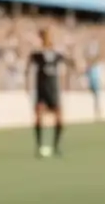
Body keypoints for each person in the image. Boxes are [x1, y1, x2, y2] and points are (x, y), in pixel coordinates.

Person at [26, 27, 72, 157]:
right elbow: (28, 70)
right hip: (41, 90)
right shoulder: (37, 55)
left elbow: (68, 65)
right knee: (39, 117)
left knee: (59, 118)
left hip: (53, 90)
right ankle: (39, 146)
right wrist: (28, 88)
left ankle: (56, 146)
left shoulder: (57, 54)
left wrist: (67, 84)